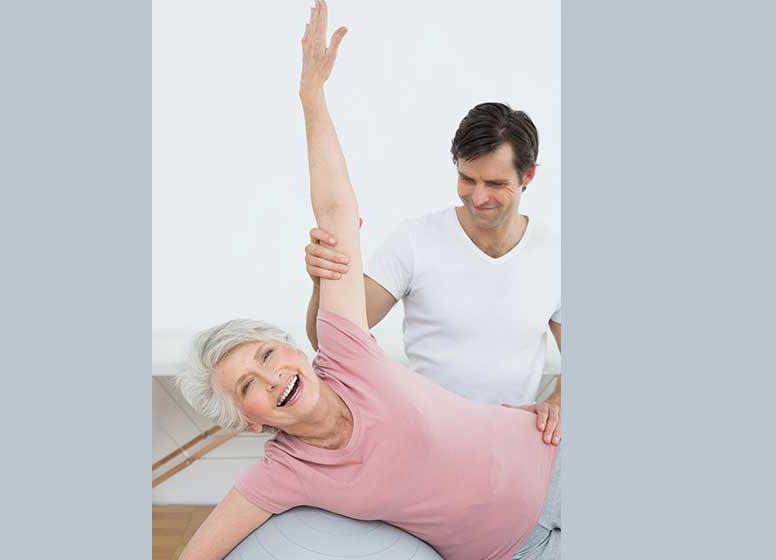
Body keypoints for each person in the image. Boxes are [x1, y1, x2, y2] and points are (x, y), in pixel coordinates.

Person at [175, 3, 560, 559]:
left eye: (263, 355)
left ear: (289, 347)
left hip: (554, 461)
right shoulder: (283, 474)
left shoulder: (346, 353)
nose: (269, 377)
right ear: (247, 423)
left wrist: (312, 95)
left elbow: (335, 211)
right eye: (246, 388)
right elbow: (199, 552)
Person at [303, 102, 562, 445]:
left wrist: (556, 404)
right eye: (467, 179)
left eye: (495, 183)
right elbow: (328, 341)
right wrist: (322, 280)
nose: (479, 196)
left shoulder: (556, 256)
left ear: (527, 175)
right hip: (426, 441)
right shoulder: (415, 241)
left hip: (511, 445)